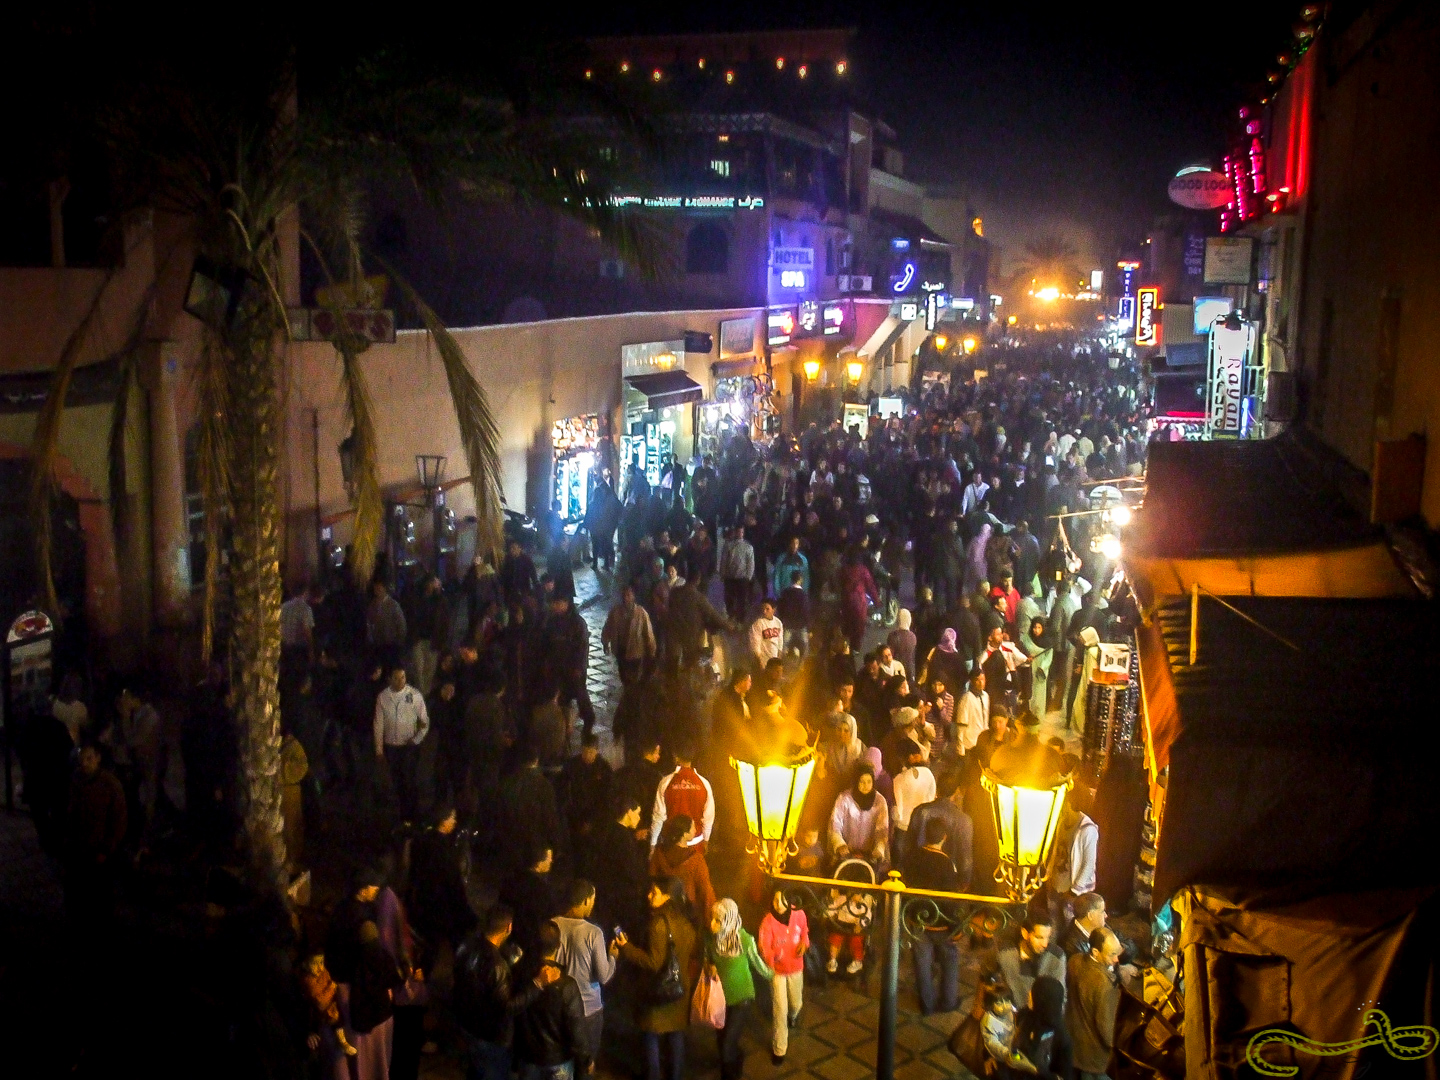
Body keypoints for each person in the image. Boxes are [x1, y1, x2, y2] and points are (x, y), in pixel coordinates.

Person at [454, 905, 560, 1080]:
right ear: (509, 927)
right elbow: (507, 1007)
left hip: (468, 1027)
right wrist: (538, 983)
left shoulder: (466, 945)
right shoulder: (497, 965)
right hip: (490, 1038)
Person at [619, 877, 696, 1080]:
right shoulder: (687, 920)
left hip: (660, 989)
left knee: (650, 1035)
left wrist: (626, 947)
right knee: (676, 1035)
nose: (648, 896)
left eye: (654, 892)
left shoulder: (658, 925)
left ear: (667, 895)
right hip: (680, 988)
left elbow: (653, 962)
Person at [705, 898, 774, 1080]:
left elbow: (758, 965)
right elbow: (708, 959)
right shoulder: (710, 939)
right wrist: (710, 966)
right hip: (721, 998)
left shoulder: (744, 939)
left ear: (729, 920)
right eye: (712, 918)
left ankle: (730, 1074)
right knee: (722, 1040)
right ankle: (734, 1060)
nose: (712, 924)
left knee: (727, 1043)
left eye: (718, 920)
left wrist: (774, 974)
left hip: (742, 997)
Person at [513, 920, 591, 1080]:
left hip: (528, 1057)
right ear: (559, 945)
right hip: (558, 1060)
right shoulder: (567, 986)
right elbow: (576, 1029)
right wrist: (585, 1060)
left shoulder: (520, 976)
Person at [552, 880, 616, 1066]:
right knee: (585, 1064)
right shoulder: (593, 932)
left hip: (559, 1005)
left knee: (563, 1062)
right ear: (586, 901)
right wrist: (612, 956)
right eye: (593, 899)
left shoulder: (552, 924)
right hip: (588, 1009)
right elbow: (604, 976)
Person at [64, 742, 127, 926]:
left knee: (101, 891)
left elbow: (119, 820)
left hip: (100, 849)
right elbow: (71, 812)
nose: (85, 763)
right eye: (82, 759)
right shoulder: (76, 779)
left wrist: (107, 849)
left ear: (98, 758)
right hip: (80, 846)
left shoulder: (110, 784)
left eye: (89, 758)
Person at [907, 818, 962, 1015]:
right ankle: (948, 1001)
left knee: (922, 963)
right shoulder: (946, 863)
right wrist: (956, 927)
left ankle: (927, 1004)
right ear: (945, 837)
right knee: (949, 961)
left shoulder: (914, 856)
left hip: (918, 920)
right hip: (941, 924)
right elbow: (950, 900)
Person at [758, 888, 809, 1065]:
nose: (778, 904)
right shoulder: (767, 923)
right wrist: (774, 957)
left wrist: (804, 943)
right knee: (780, 1009)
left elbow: (804, 932)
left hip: (796, 968)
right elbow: (764, 948)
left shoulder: (799, 914)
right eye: (775, 900)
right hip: (777, 972)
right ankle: (779, 1048)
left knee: (796, 1003)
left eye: (781, 900)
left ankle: (793, 1016)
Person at [374, 664, 430, 822]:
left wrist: (417, 739)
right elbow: (378, 724)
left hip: (409, 747)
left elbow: (424, 721)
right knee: (398, 780)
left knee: (409, 779)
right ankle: (404, 813)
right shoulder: (383, 697)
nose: (400, 681)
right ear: (389, 679)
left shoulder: (414, 695)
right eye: (396, 678)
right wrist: (379, 750)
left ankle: (414, 813)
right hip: (392, 746)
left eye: (403, 677)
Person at [586, 794, 649, 936]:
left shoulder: (608, 831)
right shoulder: (624, 840)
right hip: (622, 896)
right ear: (628, 812)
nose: (639, 818)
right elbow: (633, 870)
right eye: (637, 813)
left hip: (605, 893)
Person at [1066, 928, 1122, 1080]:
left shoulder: (1074, 961)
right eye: (1112, 954)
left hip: (1074, 1050)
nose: (1116, 959)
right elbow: (1106, 1028)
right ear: (1096, 952)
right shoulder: (1104, 983)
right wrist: (1117, 1049)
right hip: (1095, 1059)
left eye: (1118, 953)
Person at [989, 913, 1066, 1010]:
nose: (1045, 944)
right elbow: (986, 975)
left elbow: (1059, 999)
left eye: (1048, 937)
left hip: (1040, 1018)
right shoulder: (1004, 953)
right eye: (1039, 937)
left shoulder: (1056, 958)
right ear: (1025, 933)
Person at [649, 739, 714, 853]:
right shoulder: (704, 784)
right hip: (696, 845)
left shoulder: (666, 782)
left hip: (671, 845)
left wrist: (653, 843)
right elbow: (708, 818)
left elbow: (658, 817)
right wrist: (706, 840)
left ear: (676, 757)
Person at [649, 814, 717, 922]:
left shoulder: (659, 852)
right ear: (685, 834)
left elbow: (652, 878)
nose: (695, 830)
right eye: (693, 827)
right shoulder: (696, 860)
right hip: (686, 913)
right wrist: (712, 917)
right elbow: (706, 891)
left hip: (661, 910)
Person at [1011, 975, 1075, 1080]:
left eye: (1033, 992)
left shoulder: (1061, 1038)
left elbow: (1064, 1077)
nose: (1029, 994)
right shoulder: (1025, 1016)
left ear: (1042, 1000)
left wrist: (1032, 1069)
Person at [829, 762, 889, 869]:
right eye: (862, 782)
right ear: (856, 782)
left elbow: (882, 830)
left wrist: (878, 849)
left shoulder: (880, 801)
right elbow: (835, 824)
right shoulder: (844, 798)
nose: (866, 786)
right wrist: (839, 844)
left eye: (869, 782)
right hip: (846, 854)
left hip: (870, 856)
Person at [602, 585, 656, 686]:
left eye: (628, 595)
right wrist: (605, 641)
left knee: (634, 679)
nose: (625, 598)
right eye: (623, 595)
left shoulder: (641, 613)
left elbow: (648, 634)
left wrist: (651, 652)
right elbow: (608, 627)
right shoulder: (615, 612)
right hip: (620, 650)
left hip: (636, 652)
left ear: (633, 596)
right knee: (623, 676)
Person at [891, 739, 936, 858]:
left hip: (904, 828)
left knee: (901, 865)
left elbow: (898, 811)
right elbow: (931, 800)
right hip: (923, 825)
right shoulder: (929, 774)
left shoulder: (899, 779)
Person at [981, 984, 1018, 1077]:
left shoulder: (1010, 1011)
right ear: (990, 1005)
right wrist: (1008, 1054)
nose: (1004, 1006)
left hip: (1011, 1046)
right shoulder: (989, 1022)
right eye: (999, 1003)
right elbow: (992, 1043)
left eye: (1007, 1001)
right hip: (999, 1055)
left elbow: (1015, 1010)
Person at [720, 525, 755, 621]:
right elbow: (724, 561)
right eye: (738, 532)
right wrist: (722, 574)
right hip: (730, 577)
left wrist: (748, 576)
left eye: (742, 532)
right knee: (729, 599)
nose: (740, 534)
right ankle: (731, 616)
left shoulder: (748, 547)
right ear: (735, 532)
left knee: (742, 600)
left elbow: (751, 563)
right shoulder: (728, 546)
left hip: (742, 578)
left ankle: (740, 619)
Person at [1060, 893, 1107, 959]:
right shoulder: (1071, 945)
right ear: (1090, 916)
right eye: (1102, 911)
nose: (1106, 915)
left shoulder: (1102, 927)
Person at [775, 570, 811, 657]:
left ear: (791, 579)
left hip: (787, 624)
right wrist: (809, 628)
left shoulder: (785, 593)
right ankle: (802, 667)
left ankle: (780, 666)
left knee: (783, 646)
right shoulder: (803, 595)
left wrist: (781, 622)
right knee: (804, 648)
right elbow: (806, 611)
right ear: (800, 579)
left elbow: (780, 609)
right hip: (801, 625)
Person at [748, 598, 784, 670]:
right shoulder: (758, 623)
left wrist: (778, 659)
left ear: (774, 610)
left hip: (774, 660)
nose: (764, 611)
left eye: (767, 609)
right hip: (764, 662)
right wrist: (760, 663)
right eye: (763, 609)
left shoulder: (778, 622)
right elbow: (755, 644)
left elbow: (780, 642)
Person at [887, 609, 917, 686]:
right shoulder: (913, 636)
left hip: (896, 668)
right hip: (909, 669)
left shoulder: (892, 636)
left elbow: (891, 653)